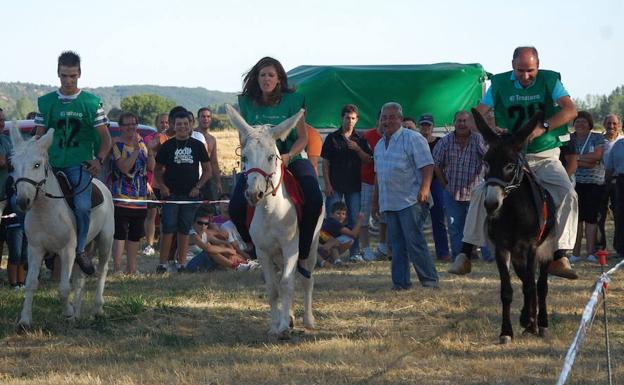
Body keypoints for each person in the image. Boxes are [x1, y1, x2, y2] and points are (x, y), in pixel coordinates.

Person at [448, 46, 579, 279]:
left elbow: (570, 110)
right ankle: (465, 253)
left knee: (568, 193)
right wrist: (492, 130)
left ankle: (560, 255)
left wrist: (544, 126)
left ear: (538, 65)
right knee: (480, 192)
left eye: (530, 71)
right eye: (520, 70)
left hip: (544, 155)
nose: (526, 76)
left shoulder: (551, 80)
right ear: (512, 65)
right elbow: (474, 118)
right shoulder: (498, 84)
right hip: (512, 156)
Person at [228, 56, 323, 276]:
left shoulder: (294, 100)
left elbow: (302, 138)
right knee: (234, 207)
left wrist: (289, 155)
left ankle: (304, 252)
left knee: (315, 198)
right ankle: (253, 247)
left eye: (271, 75)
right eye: (262, 75)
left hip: (292, 158)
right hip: (260, 164)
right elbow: (243, 139)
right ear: (257, 78)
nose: (266, 79)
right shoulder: (247, 103)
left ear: (279, 78)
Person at [34, 51, 112, 275]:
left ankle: (80, 250)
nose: (68, 81)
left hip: (79, 163)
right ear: (58, 74)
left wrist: (99, 160)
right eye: (63, 76)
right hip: (51, 163)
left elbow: (106, 137)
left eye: (72, 76)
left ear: (79, 74)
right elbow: (39, 136)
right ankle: (39, 245)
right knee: (23, 198)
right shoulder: (46, 102)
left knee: (81, 205)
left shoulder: (90, 103)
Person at [372, 102, 439, 289]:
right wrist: (375, 202)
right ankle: (400, 283)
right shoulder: (378, 145)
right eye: (384, 118)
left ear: (400, 119)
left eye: (392, 117)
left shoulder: (413, 138)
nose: (387, 121)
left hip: (411, 200)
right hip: (389, 201)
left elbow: (427, 165)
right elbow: (378, 175)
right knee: (396, 245)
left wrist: (425, 189)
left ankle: (430, 281)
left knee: (414, 241)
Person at [153, 111, 211, 273]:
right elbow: (157, 170)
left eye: (186, 124)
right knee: (168, 228)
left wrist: (197, 187)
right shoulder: (167, 146)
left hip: (190, 196)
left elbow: (207, 171)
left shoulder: (198, 145)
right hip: (171, 195)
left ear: (191, 125)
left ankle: (181, 264)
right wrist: (163, 187)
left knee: (184, 229)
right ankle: (162, 264)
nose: (182, 127)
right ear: (173, 125)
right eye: (179, 124)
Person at [433, 111, 492, 265]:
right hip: (453, 193)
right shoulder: (445, 141)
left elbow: (489, 157)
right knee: (455, 227)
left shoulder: (478, 139)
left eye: (465, 121)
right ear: (454, 123)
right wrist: (445, 186)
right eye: (459, 121)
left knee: (482, 225)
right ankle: (460, 258)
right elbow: (436, 165)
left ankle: (490, 258)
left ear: (470, 123)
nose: (462, 124)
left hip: (476, 192)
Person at [321, 104, 372, 262]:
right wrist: (327, 184)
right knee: (331, 221)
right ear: (341, 118)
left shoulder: (361, 139)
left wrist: (357, 149)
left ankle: (354, 253)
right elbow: (325, 162)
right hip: (334, 186)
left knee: (353, 219)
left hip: (354, 186)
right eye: (347, 118)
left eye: (353, 118)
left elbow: (369, 160)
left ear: (356, 120)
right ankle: (327, 252)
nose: (350, 121)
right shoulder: (332, 137)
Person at [109, 112, 154, 275]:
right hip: (121, 197)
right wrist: (135, 151)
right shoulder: (117, 145)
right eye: (127, 124)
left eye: (133, 124)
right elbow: (124, 168)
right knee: (120, 234)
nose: (131, 127)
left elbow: (150, 167)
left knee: (135, 234)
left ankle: (132, 268)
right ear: (120, 127)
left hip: (140, 197)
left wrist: (150, 151)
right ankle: (117, 268)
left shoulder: (142, 144)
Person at [569, 112, 606, 263]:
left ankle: (591, 252)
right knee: (576, 219)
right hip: (574, 182)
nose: (580, 124)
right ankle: (575, 253)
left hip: (594, 183)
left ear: (589, 123)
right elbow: (566, 159)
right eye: (577, 121)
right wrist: (585, 160)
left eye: (584, 121)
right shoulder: (569, 138)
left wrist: (576, 158)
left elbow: (597, 157)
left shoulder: (597, 137)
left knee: (591, 218)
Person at [417, 113, 450, 262]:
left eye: (428, 125)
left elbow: (447, 162)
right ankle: (417, 252)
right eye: (423, 125)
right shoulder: (414, 141)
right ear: (419, 126)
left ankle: (442, 252)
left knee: (438, 219)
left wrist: (444, 182)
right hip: (418, 182)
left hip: (436, 183)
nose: (425, 128)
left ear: (433, 126)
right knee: (415, 219)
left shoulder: (440, 142)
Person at [185, 210, 259, 272]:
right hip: (189, 265)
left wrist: (228, 247)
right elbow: (208, 248)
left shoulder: (205, 233)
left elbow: (223, 241)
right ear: (193, 223)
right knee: (211, 251)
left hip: (203, 263)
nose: (203, 226)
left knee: (221, 246)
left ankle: (246, 263)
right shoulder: (192, 235)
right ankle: (236, 267)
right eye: (200, 223)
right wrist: (227, 250)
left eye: (206, 224)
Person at [360, 111, 389, 261]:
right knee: (364, 215)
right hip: (367, 180)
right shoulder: (367, 136)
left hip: (385, 182)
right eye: (383, 118)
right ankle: (365, 247)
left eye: (388, 119)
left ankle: (383, 246)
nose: (385, 122)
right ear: (377, 120)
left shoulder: (393, 136)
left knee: (384, 215)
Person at [142, 112, 170, 256]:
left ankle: (164, 243)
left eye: (166, 122)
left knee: (167, 216)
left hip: (168, 183)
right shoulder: (148, 139)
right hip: (152, 183)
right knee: (151, 215)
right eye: (161, 122)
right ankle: (149, 244)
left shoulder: (172, 140)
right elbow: (147, 165)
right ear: (156, 124)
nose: (164, 125)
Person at [597, 114, 622, 251]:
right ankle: (600, 247)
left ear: (619, 125)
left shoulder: (622, 141)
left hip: (619, 182)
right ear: (604, 124)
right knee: (599, 216)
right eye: (608, 123)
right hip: (600, 181)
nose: (611, 126)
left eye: (614, 123)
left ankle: (619, 246)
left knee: (619, 215)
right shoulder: (598, 141)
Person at [318, 201, 365, 267]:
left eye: (343, 214)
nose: (341, 216)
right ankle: (327, 261)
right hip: (319, 242)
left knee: (334, 243)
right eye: (338, 213)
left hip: (323, 242)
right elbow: (353, 234)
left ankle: (337, 261)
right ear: (331, 214)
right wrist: (360, 221)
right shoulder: (333, 222)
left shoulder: (333, 222)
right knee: (347, 239)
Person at [605, 124, 624, 256]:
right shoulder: (618, 145)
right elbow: (609, 167)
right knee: (620, 215)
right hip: (620, 181)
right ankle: (620, 248)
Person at [196, 107, 222, 199]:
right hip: (193, 176)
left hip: (207, 178)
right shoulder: (192, 134)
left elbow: (214, 162)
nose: (205, 119)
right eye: (203, 116)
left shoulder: (212, 139)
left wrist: (218, 182)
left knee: (208, 208)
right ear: (198, 118)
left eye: (208, 116)